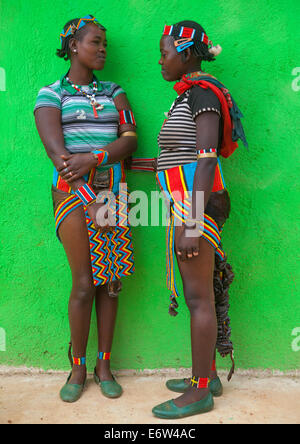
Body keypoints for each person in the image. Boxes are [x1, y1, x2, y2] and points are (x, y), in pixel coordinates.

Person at [34, 15, 137, 403]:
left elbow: (129, 139)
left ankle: (104, 364)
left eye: (105, 43)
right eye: (96, 42)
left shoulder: (115, 91)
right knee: (83, 282)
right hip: (73, 196)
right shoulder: (51, 94)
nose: (103, 49)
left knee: (110, 283)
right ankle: (77, 366)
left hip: (112, 193)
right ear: (74, 46)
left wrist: (95, 157)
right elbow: (57, 153)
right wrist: (87, 196)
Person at [152, 20, 247, 419]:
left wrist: (191, 220)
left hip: (197, 207)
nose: (161, 61)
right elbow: (180, 157)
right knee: (200, 294)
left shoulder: (202, 95)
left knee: (197, 298)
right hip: (187, 203)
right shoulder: (189, 95)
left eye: (165, 53)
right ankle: (206, 374)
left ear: (187, 54)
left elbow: (206, 160)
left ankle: (200, 392)